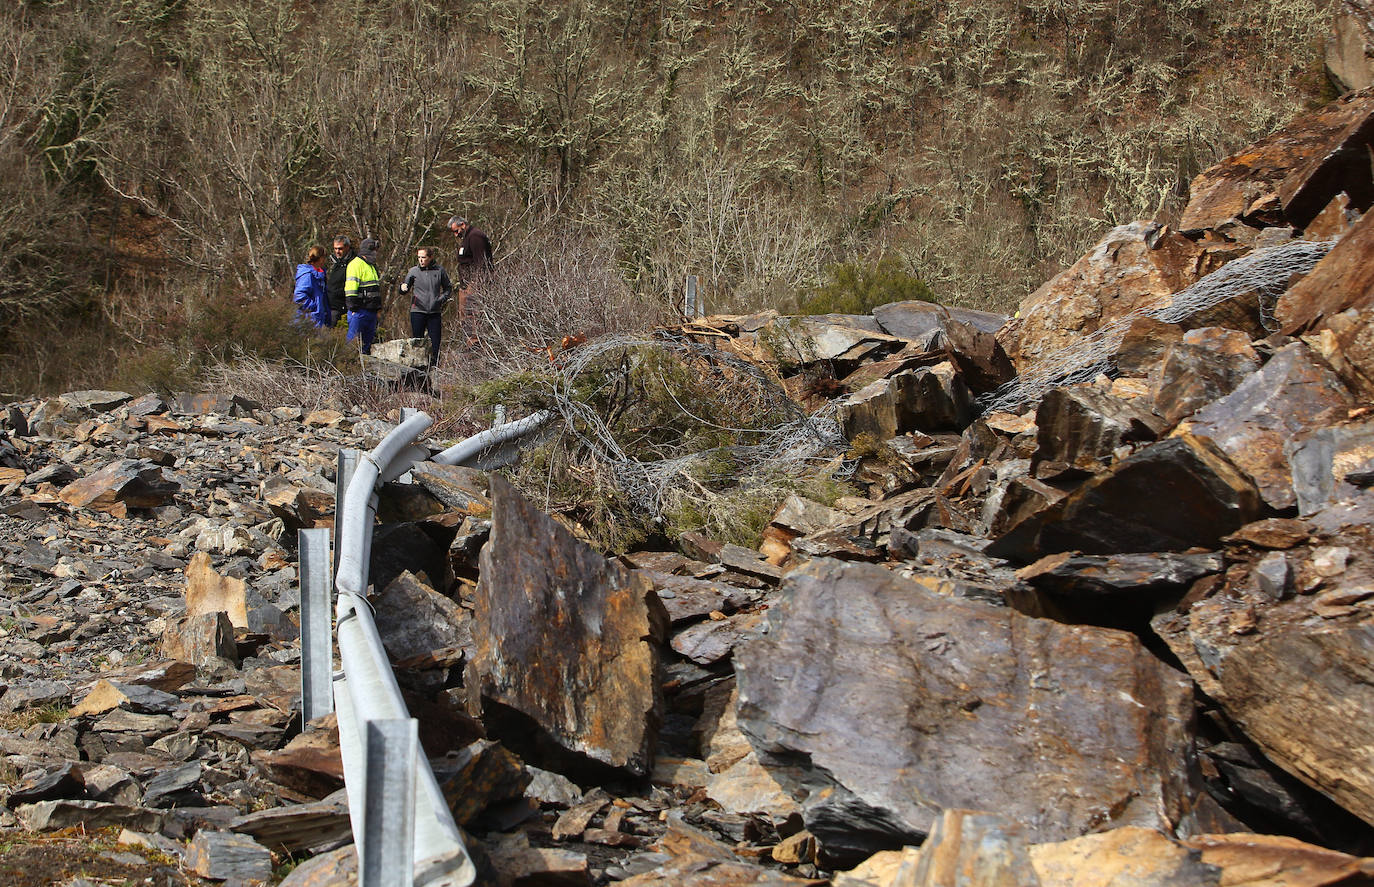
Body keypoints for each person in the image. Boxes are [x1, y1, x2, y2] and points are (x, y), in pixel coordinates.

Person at [399, 246, 453, 367]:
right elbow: (404, 288)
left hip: (434, 312)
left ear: (430, 257)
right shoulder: (413, 271)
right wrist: (402, 288)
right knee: (417, 341)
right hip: (418, 310)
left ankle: (434, 367)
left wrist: (441, 300)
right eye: (419, 257)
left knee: (435, 343)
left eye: (423, 257)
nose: (421, 260)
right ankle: (418, 368)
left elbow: (448, 288)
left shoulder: (439, 271)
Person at [446, 216, 493, 338]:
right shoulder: (467, 238)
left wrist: (476, 284)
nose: (456, 235)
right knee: (465, 316)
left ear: (462, 225)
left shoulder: (475, 237)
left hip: (475, 284)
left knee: (474, 314)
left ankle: (476, 344)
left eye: (456, 231)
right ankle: (468, 342)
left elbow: (482, 262)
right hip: (465, 284)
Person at [345, 237, 383, 354]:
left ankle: (363, 370)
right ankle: (349, 368)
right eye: (374, 250)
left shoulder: (371, 266)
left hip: (370, 312)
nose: (376, 253)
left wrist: (377, 309)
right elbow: (351, 288)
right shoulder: (356, 264)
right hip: (359, 311)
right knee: (353, 345)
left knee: (366, 346)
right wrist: (354, 308)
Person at [293, 245, 331, 328]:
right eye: (324, 257)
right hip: (307, 320)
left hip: (318, 319)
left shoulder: (320, 275)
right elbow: (299, 296)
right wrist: (315, 306)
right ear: (320, 258)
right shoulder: (307, 275)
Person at [326, 235, 355, 327]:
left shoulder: (354, 263)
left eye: (340, 249)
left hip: (343, 308)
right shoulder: (335, 262)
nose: (337, 252)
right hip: (331, 306)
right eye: (335, 249)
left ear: (347, 247)